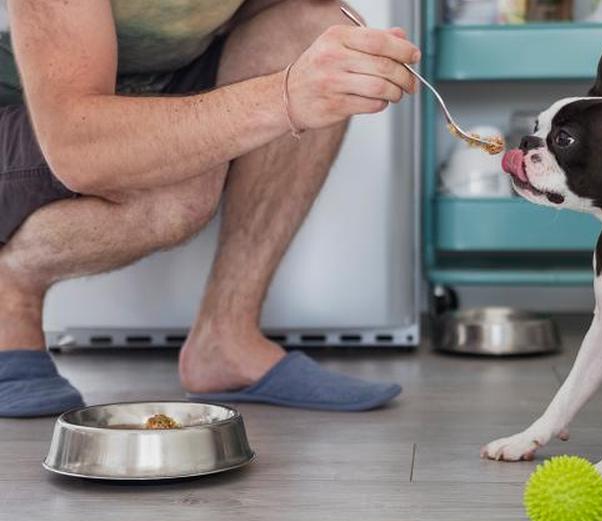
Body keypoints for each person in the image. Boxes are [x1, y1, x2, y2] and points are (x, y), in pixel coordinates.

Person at [0, 0, 420, 417]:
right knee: (173, 184)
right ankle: (11, 289)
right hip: (36, 111)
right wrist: (285, 94)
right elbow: (77, 146)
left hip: (150, 80)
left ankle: (225, 339)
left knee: (313, 30)